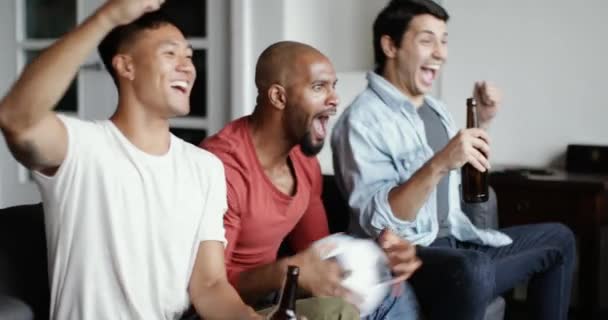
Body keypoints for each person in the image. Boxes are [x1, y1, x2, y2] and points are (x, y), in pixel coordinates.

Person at [0, 1, 259, 319]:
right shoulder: (82, 147)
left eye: (189, 56)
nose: (187, 66)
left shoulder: (205, 168)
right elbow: (16, 119)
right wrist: (106, 18)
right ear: (126, 66)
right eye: (170, 54)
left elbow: (210, 285)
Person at [330, 1, 576, 320]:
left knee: (560, 238)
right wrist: (440, 161)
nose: (441, 53)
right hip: (409, 259)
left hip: (458, 246)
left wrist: (482, 123)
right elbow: (379, 223)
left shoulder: (436, 110)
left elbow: (463, 173)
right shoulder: (360, 122)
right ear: (390, 45)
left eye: (444, 40)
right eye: (427, 40)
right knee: (470, 269)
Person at [202, 41, 422, 319]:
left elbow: (320, 252)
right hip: (227, 308)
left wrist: (377, 256)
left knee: (390, 290)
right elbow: (208, 290)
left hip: (274, 294)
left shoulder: (304, 162)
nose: (334, 99)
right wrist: (283, 271)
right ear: (279, 97)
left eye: (333, 86)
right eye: (319, 87)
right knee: (339, 309)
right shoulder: (223, 167)